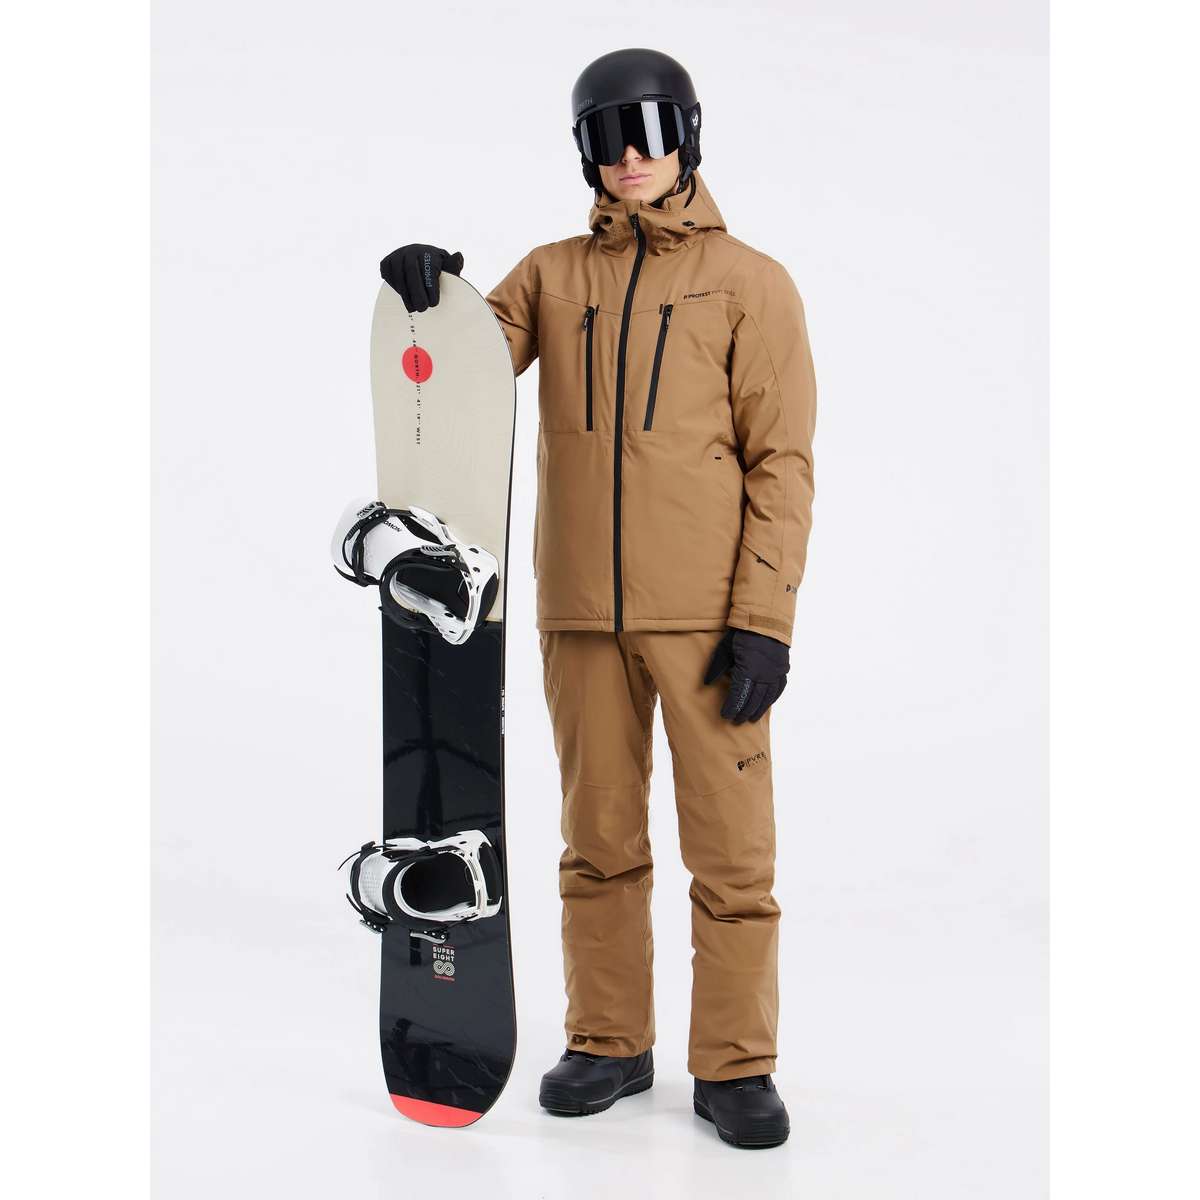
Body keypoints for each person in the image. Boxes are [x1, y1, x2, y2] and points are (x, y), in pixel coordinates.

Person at [380, 47, 816, 1150]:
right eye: (608, 135)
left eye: (652, 129)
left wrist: (764, 619)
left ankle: (736, 1063)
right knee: (598, 843)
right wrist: (428, 301)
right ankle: (610, 1042)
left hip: (708, 622)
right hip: (578, 614)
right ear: (585, 151)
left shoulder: (749, 282)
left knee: (731, 855)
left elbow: (782, 463)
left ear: (689, 136)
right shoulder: (551, 276)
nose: (631, 156)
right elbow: (464, 374)